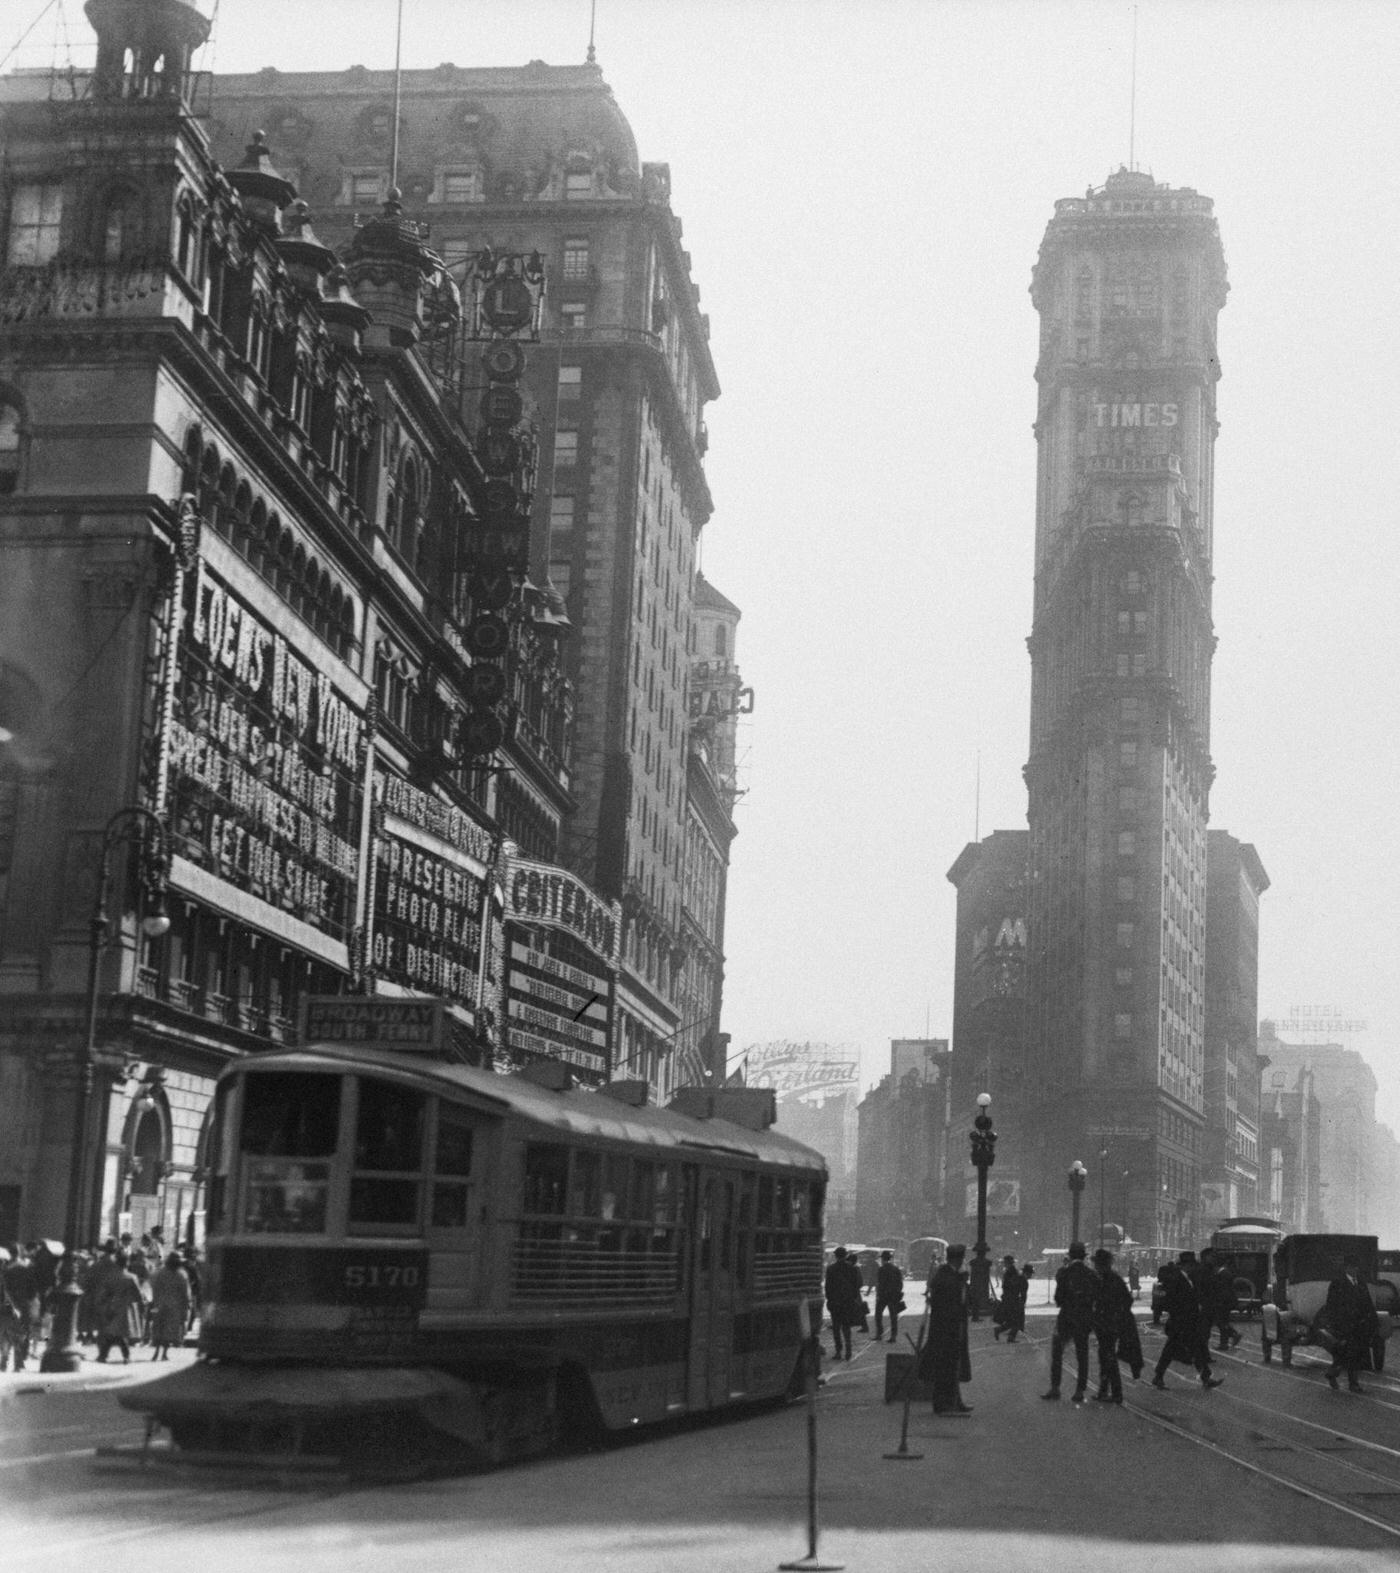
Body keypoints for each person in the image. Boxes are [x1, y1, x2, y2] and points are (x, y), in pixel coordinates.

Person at [1151, 1256, 1222, 1390]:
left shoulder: (1185, 1278)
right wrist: (1181, 1313)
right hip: (1181, 1322)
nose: (1194, 1267)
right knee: (1188, 1349)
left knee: (1181, 1350)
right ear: (1186, 1265)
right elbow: (1172, 1300)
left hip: (1185, 1322)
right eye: (1191, 1265)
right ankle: (1205, 1378)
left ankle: (1159, 1376)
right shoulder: (1178, 1279)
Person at [918, 1242, 972, 1415]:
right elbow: (948, 1304)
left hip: (955, 1327)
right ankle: (942, 1404)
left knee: (954, 1365)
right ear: (958, 1259)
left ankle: (955, 1401)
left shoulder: (953, 1275)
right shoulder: (946, 1277)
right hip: (945, 1329)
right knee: (945, 1367)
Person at [1043, 1241, 1098, 1402]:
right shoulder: (1090, 1274)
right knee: (1082, 1354)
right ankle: (1080, 1391)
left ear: (1071, 1255)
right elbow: (1095, 1297)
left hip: (1066, 1317)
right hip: (1083, 1318)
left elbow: (1058, 1298)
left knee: (1057, 1352)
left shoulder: (1064, 1273)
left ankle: (1055, 1388)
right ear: (1084, 1256)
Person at [1321, 1254, 1379, 1393]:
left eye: (1356, 1267)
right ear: (1346, 1268)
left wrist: (1374, 1320)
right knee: (1351, 1353)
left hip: (1360, 1325)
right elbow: (1331, 1305)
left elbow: (1368, 1303)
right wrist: (1334, 1324)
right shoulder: (1337, 1283)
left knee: (1351, 1354)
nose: (1355, 1270)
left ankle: (1332, 1373)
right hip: (1344, 1325)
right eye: (1352, 1267)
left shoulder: (1361, 1283)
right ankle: (1353, 1384)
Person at [1090, 1247, 1136, 1403]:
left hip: (1108, 1325)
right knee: (1106, 1358)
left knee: (1108, 1358)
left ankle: (1114, 1392)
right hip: (1107, 1324)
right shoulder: (1109, 1278)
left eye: (1097, 1263)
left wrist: (1111, 1314)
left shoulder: (1109, 1280)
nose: (1095, 1266)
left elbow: (1125, 1301)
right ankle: (1106, 1391)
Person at [95, 1250, 145, 1364]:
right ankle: (124, 1356)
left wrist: (100, 1303)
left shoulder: (111, 1276)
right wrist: (141, 1305)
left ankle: (104, 1355)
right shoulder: (131, 1277)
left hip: (112, 1306)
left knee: (113, 1332)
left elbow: (104, 1293)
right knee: (118, 1333)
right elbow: (138, 1294)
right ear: (126, 1263)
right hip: (126, 1308)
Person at [147, 1252, 192, 1362]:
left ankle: (156, 1352)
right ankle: (164, 1354)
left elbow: (153, 1288)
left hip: (159, 1305)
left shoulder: (159, 1273)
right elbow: (185, 1294)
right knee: (169, 1331)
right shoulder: (181, 1275)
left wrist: (153, 1304)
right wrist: (186, 1308)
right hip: (174, 1308)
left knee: (158, 1328)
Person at [823, 1246, 864, 1361]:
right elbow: (856, 1286)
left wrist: (830, 1300)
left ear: (836, 1256)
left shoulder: (831, 1269)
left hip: (835, 1303)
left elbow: (828, 1287)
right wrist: (853, 1298)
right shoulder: (851, 1268)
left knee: (836, 1328)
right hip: (847, 1302)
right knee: (846, 1327)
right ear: (846, 1255)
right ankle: (848, 1351)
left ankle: (838, 1351)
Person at [1201, 1246, 1242, 1351]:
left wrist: (1218, 1301)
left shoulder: (1224, 1274)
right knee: (1222, 1322)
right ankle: (1226, 1341)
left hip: (1223, 1303)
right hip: (1223, 1302)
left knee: (1221, 1322)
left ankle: (1231, 1337)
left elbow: (1224, 1290)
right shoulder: (1223, 1273)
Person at [994, 1255, 1027, 1342]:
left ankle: (1000, 1331)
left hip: (1010, 1298)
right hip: (1012, 1299)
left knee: (1013, 1320)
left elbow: (1010, 1285)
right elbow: (1012, 1285)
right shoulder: (1011, 1272)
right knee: (1015, 1320)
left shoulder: (1010, 1272)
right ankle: (1008, 1336)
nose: (1004, 1264)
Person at [873, 1250, 904, 1343]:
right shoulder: (896, 1269)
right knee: (893, 1317)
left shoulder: (881, 1269)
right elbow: (900, 1283)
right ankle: (893, 1336)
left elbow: (880, 1283)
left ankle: (879, 1333)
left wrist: (878, 1294)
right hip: (893, 1296)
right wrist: (897, 1292)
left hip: (883, 1296)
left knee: (878, 1315)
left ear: (882, 1259)